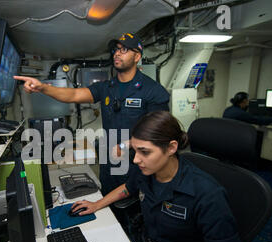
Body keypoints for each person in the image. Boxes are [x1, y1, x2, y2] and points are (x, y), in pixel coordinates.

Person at [70, 111, 243, 242]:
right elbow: (128, 188)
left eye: (144, 152)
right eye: (135, 151)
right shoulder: (149, 169)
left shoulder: (207, 194)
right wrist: (97, 204)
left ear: (171, 148)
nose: (136, 159)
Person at [14, 33, 169, 228]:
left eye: (124, 49)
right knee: (111, 217)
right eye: (115, 49)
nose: (117, 54)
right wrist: (43, 88)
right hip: (110, 165)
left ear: (137, 56)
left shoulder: (153, 91)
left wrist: (126, 144)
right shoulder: (107, 87)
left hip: (138, 167)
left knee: (137, 220)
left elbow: (159, 132)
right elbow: (74, 94)